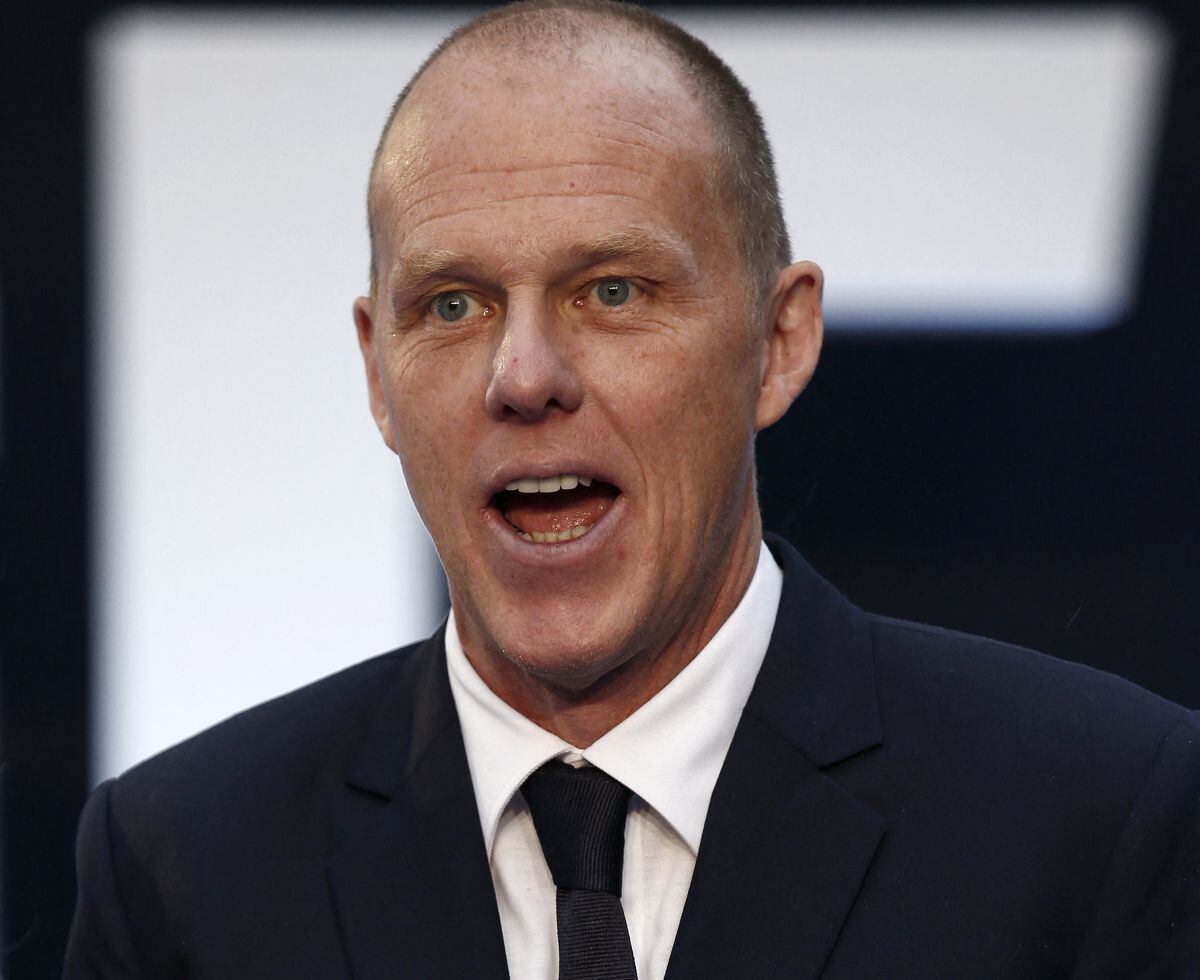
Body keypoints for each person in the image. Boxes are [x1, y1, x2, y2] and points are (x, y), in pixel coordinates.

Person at [64, 2, 1200, 977]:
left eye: (611, 290)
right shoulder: (181, 864)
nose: (523, 377)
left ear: (779, 338)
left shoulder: (1094, 819)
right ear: (376, 370)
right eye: (451, 305)